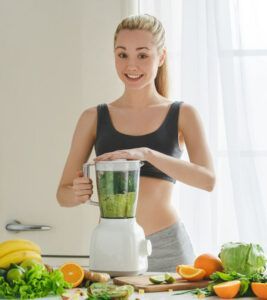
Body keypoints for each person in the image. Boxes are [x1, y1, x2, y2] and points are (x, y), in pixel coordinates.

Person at [56, 14, 215, 272]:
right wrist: (77, 192)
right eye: (122, 55)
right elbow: (62, 194)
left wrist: (147, 153)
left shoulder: (183, 114)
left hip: (168, 246)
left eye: (142, 55)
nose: (131, 65)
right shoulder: (93, 117)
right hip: (112, 249)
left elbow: (207, 180)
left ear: (161, 57)